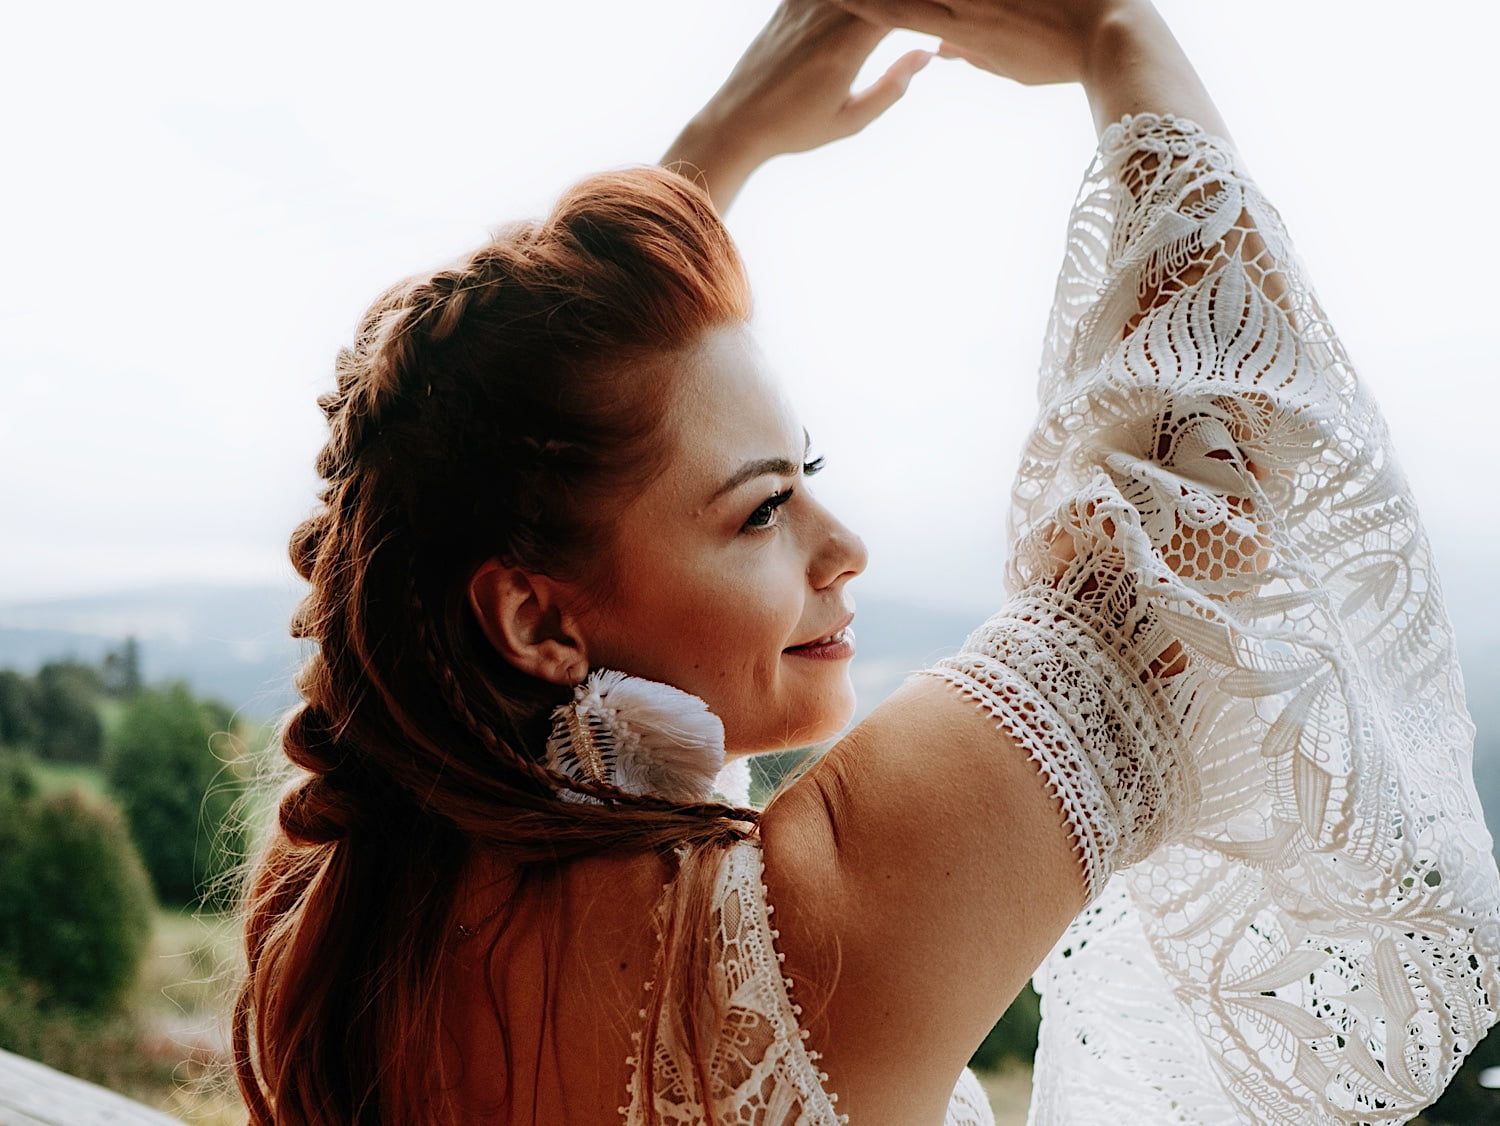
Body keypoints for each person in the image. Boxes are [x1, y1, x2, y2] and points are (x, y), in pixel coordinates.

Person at [230, 1, 1500, 1123]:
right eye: (761, 510)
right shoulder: (794, 945)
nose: (843, 548)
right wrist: (1117, 33)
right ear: (533, 621)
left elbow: (494, 483)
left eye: (811, 474)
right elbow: (1199, 512)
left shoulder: (341, 911)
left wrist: (717, 149)